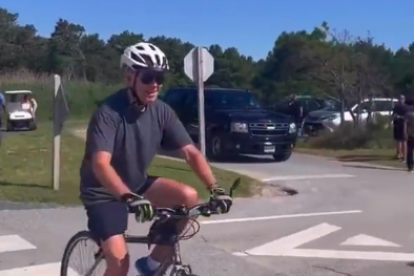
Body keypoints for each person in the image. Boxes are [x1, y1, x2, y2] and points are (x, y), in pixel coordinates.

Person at [80, 42, 233, 276]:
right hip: (103, 192)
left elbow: (191, 152)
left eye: (159, 78)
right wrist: (127, 196)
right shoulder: (108, 113)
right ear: (130, 76)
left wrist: (215, 188)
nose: (154, 85)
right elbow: (100, 164)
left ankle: (152, 264)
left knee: (189, 197)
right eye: (148, 77)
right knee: (120, 265)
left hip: (136, 182)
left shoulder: (162, 111)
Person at [392, 94, 407, 161]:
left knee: (403, 140)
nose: (401, 100)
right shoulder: (396, 107)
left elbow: (408, 116)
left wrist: (400, 117)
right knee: (398, 140)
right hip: (397, 124)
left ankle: (404, 155)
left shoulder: (406, 107)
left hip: (404, 125)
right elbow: (394, 115)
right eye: (400, 98)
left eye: (402, 98)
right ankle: (398, 154)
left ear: (404, 99)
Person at [404, 98, 414, 171]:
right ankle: (410, 164)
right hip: (411, 134)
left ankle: (410, 164)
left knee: (410, 150)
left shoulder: (408, 114)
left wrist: (405, 133)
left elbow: (405, 124)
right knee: (410, 150)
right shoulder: (409, 114)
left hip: (410, 134)